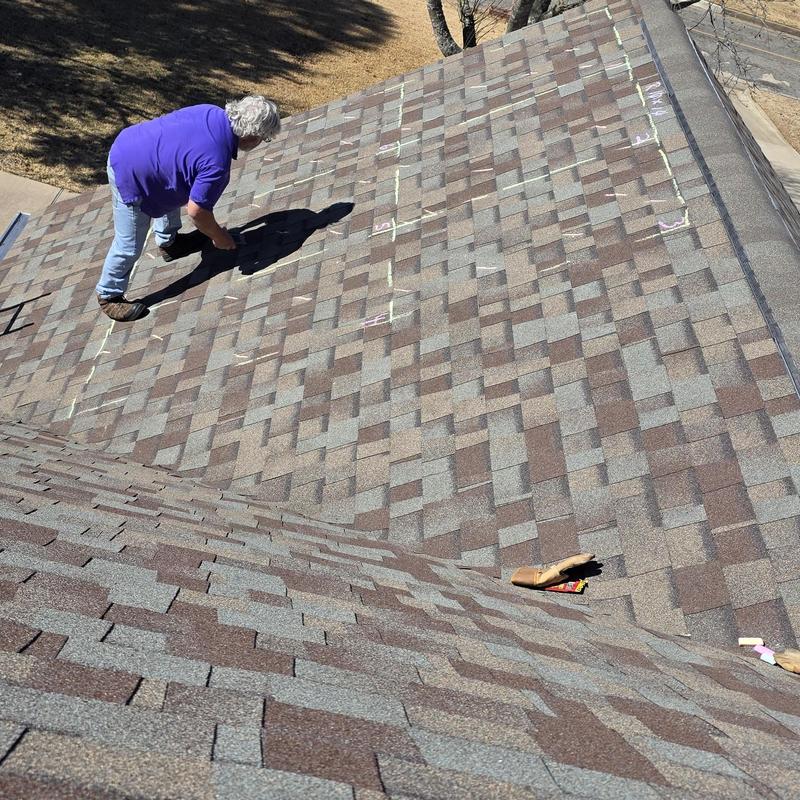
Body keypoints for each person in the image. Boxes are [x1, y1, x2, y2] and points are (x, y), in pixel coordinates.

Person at [95, 95, 281, 321]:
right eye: (264, 138)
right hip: (128, 170)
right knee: (129, 244)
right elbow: (197, 211)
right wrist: (219, 236)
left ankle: (169, 243)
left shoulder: (209, 111)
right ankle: (109, 294)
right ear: (252, 137)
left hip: (137, 147)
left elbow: (180, 164)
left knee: (178, 181)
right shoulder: (216, 163)